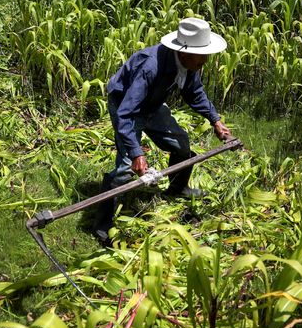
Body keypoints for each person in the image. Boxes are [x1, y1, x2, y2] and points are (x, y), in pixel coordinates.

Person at [92, 17, 232, 247]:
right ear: (184, 52)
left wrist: (215, 119)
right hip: (126, 105)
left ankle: (177, 188)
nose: (206, 60)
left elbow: (194, 92)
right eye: (202, 54)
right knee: (125, 168)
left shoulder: (189, 64)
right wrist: (137, 152)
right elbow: (126, 113)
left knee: (182, 145)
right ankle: (102, 225)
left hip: (152, 105)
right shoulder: (151, 67)